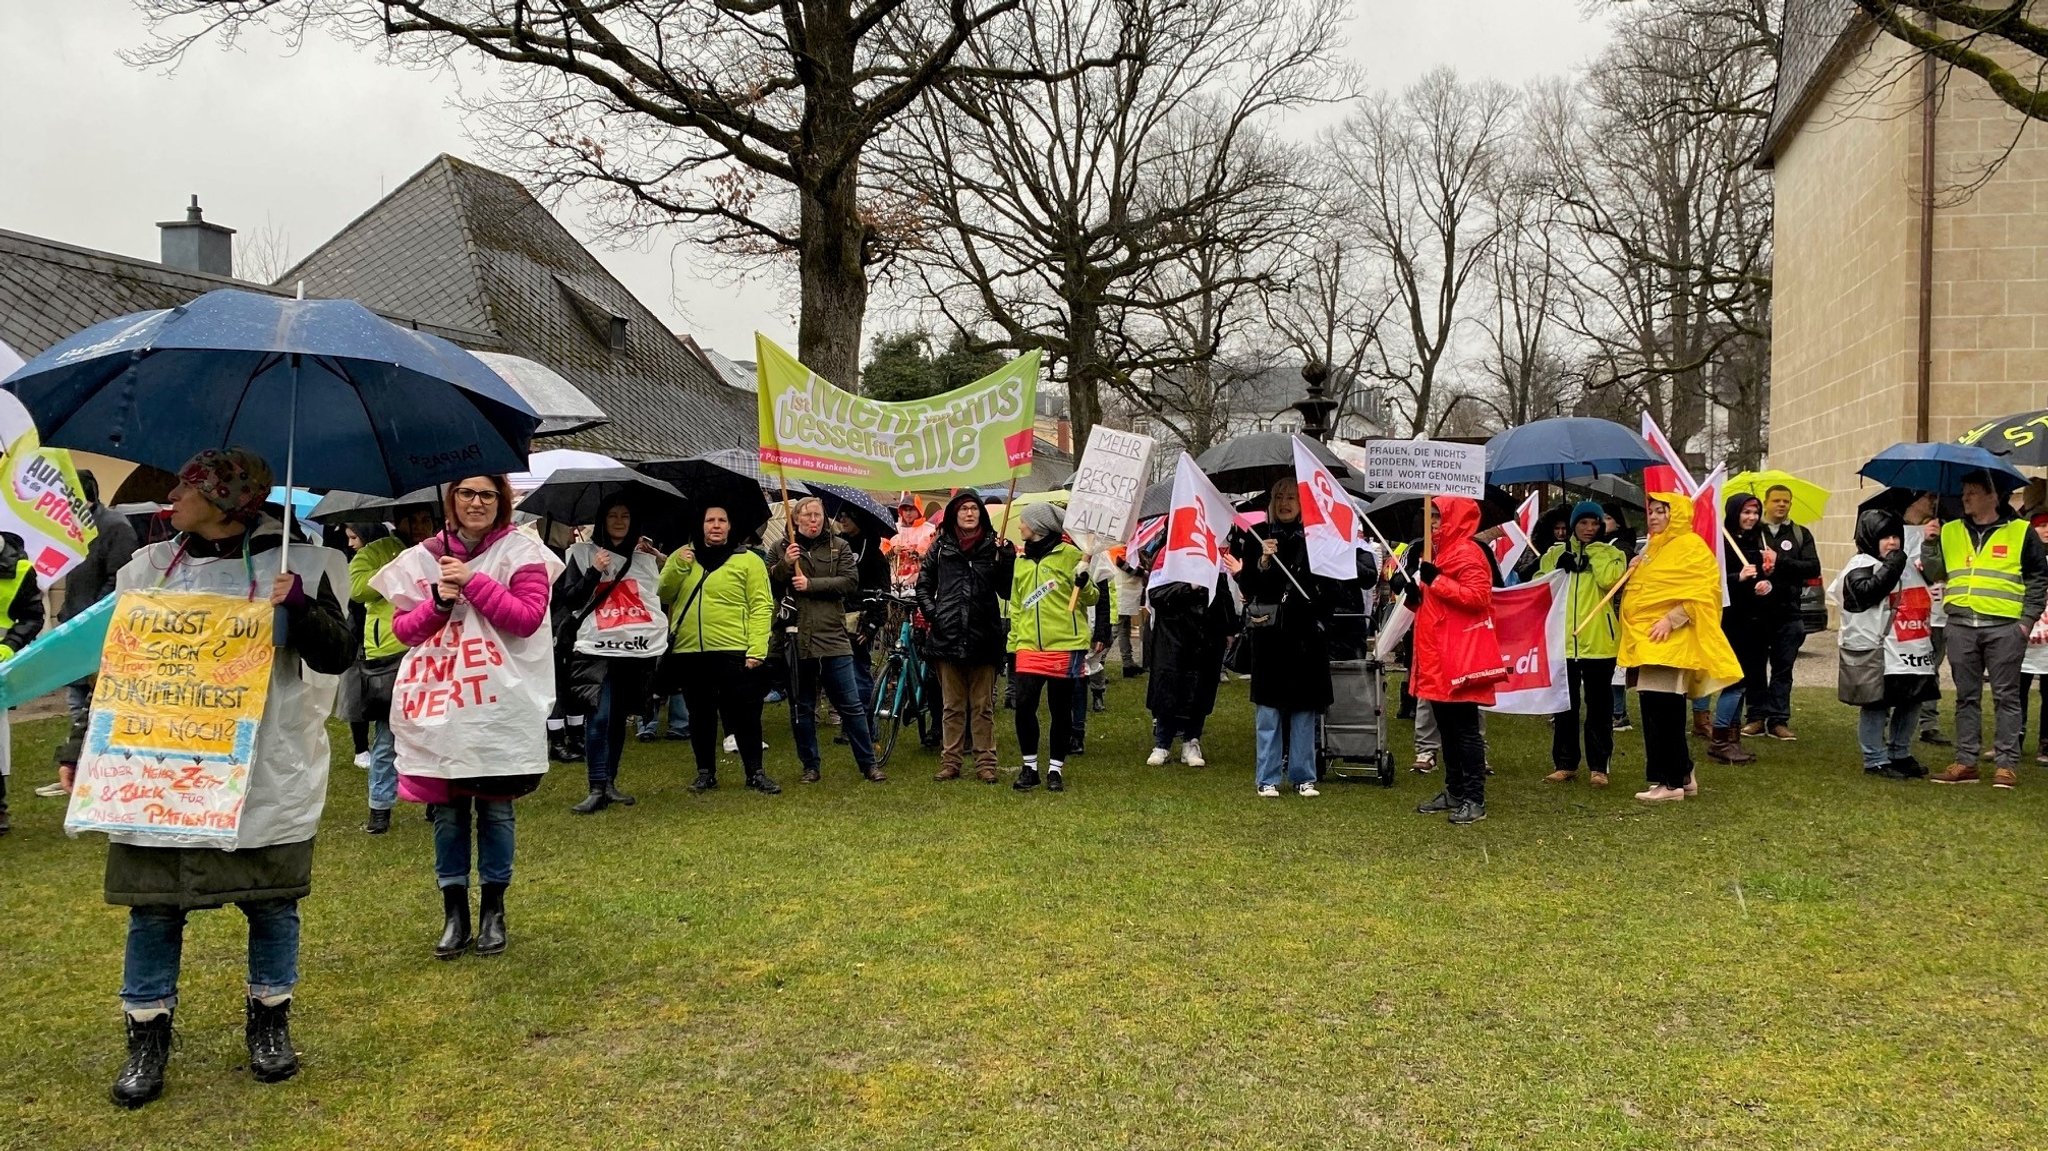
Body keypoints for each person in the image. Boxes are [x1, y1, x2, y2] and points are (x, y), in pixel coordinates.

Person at [103, 448, 353, 1108]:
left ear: (224, 497)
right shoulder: (149, 567)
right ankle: (147, 1036)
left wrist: (299, 606)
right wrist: (81, 742)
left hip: (265, 765)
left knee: (272, 899)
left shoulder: (305, 564)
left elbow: (337, 651)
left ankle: (270, 1024)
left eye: (188, 483)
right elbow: (111, 663)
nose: (173, 494)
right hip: (167, 768)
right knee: (154, 903)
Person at [379, 475, 557, 963]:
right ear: (450, 501)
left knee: (496, 808)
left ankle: (493, 910)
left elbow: (526, 617)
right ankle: (454, 911)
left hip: (500, 705)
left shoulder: (522, 553)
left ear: (501, 502)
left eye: (486, 495)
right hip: (441, 699)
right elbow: (403, 630)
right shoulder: (422, 558)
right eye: (466, 494)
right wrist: (438, 601)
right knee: (449, 812)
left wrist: (473, 582)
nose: (476, 503)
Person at [1617, 491, 1743, 803]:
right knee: (1652, 709)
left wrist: (1672, 619)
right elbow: (1650, 589)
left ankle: (1670, 783)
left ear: (1678, 514)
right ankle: (1683, 775)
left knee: (1665, 713)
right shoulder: (1655, 548)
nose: (1654, 517)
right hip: (1649, 644)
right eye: (1652, 511)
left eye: (1661, 511)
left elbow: (1704, 591)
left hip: (1671, 644)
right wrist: (1634, 569)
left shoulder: (1691, 547)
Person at [1922, 473, 2048, 787]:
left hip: (2005, 628)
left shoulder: (2021, 532)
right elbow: (1936, 574)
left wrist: (2025, 622)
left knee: (2006, 697)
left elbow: (2038, 579)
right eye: (1964, 492)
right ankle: (1966, 762)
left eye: (1974, 493)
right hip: (1961, 626)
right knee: (1966, 697)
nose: (1966, 498)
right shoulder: (1949, 530)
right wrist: (1929, 544)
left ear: (1994, 496)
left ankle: (2006, 764)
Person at [558, 495, 671, 813]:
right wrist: (594, 572)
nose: (619, 521)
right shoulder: (582, 555)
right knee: (600, 715)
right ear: (602, 520)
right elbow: (569, 598)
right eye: (612, 515)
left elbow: (653, 600)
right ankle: (595, 786)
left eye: (625, 515)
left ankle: (610, 783)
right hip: (596, 649)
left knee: (618, 718)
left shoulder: (643, 560)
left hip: (633, 650)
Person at [659, 505, 775, 793]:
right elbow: (663, 593)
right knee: (700, 715)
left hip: (735, 648)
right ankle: (705, 773)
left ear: (730, 526)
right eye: (710, 520)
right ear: (701, 525)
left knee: (745, 714)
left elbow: (762, 606)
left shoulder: (748, 560)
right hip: (690, 650)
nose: (716, 525)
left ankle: (755, 773)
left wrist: (757, 648)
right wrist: (678, 566)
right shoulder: (682, 556)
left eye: (722, 520)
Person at [1232, 478, 1336, 800]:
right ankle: (1268, 777)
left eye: (1292, 497)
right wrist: (1261, 563)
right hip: (1270, 636)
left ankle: (1304, 776)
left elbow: (1331, 585)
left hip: (1305, 635)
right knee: (1269, 710)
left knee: (1304, 709)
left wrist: (1319, 617)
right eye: (1279, 496)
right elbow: (1249, 586)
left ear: (1303, 503)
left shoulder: (1316, 537)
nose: (1285, 502)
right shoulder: (1257, 536)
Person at [42, 470, 138, 806]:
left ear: (86, 497)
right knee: (77, 703)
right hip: (76, 629)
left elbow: (119, 581)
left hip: (99, 631)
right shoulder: (73, 530)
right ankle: (79, 769)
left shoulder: (114, 528)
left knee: (97, 705)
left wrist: (90, 620)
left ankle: (99, 773)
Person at [771, 496, 883, 784]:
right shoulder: (780, 548)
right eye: (807, 515)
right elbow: (770, 583)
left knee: (851, 705)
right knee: (803, 707)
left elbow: (849, 582)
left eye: (818, 515)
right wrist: (786, 564)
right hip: (797, 636)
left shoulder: (839, 546)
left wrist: (811, 585)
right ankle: (810, 765)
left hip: (833, 634)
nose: (813, 520)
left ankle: (868, 763)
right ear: (795, 519)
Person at [1401, 497, 1498, 824]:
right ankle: (1456, 790)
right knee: (1447, 728)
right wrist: (1416, 597)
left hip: (1457, 655)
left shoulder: (1468, 552)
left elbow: (1478, 597)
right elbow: (1437, 606)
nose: (1432, 524)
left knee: (1464, 729)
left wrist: (1436, 581)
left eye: (1438, 517)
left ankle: (1474, 798)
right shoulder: (1439, 552)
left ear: (1454, 519)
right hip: (1437, 655)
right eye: (1429, 517)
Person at [1833, 508, 1937, 780]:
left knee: (1912, 701)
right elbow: (1868, 593)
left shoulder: (1905, 563)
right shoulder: (1858, 566)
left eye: (1895, 536)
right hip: (1878, 652)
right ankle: (1875, 758)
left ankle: (1900, 752)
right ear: (1869, 538)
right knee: (1877, 705)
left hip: (1911, 649)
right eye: (1884, 537)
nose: (1892, 542)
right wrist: (1894, 563)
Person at [917, 491, 1012, 783]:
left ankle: (986, 763)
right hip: (948, 635)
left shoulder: (993, 546)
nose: (969, 513)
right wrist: (936, 614)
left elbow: (1007, 591)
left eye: (974, 508)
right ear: (954, 514)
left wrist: (1006, 560)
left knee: (982, 706)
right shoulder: (941, 546)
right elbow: (924, 584)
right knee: (952, 705)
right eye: (964, 509)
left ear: (981, 514)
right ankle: (951, 761)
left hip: (984, 634)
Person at [1006, 502, 1096, 791]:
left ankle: (1055, 769)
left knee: (1060, 709)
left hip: (1065, 646)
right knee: (1024, 707)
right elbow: (1017, 605)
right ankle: (1029, 767)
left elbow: (1091, 598)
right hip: (1029, 646)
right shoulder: (1021, 561)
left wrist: (1083, 581)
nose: (1020, 526)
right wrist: (1015, 641)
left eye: (1024, 522)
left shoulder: (1071, 556)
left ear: (1039, 526)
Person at [1536, 501, 1625, 786]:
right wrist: (1558, 569)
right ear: (1574, 524)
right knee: (1565, 706)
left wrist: (1594, 558)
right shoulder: (1554, 554)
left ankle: (1599, 766)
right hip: (1564, 643)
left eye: (1595, 523)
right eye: (1584, 523)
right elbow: (1539, 587)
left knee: (1599, 707)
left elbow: (1612, 580)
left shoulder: (1612, 553)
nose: (1589, 529)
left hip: (1599, 642)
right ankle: (1565, 763)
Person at [1742, 485, 1820, 741]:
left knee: (1783, 669)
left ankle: (1778, 720)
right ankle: (1755, 717)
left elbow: (1812, 567)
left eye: (1786, 501)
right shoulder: (1753, 533)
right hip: (1756, 615)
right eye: (1776, 500)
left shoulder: (1799, 534)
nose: (1782, 505)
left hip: (1788, 614)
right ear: (1766, 502)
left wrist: (1781, 562)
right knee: (1754, 668)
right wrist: (1760, 567)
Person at [345, 517, 408, 833]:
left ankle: (437, 802)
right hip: (387, 655)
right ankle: (380, 808)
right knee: (387, 736)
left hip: (432, 650)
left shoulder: (439, 549)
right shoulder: (374, 552)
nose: (423, 525)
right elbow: (357, 590)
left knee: (436, 734)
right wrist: (396, 570)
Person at [1144, 567, 1239, 769]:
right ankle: (1162, 743)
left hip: (1206, 636)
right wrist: (1188, 588)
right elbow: (1156, 595)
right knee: (1168, 689)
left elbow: (1223, 594)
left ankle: (1191, 741)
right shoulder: (1167, 559)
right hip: (1171, 636)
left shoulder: (1211, 560)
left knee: (1200, 688)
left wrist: (1230, 628)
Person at [1705, 493, 1767, 766]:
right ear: (1734, 513)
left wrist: (1766, 585)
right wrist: (1736, 578)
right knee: (1735, 680)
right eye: (1746, 512)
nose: (1751, 517)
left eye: (1755, 512)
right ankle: (1719, 740)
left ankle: (1732, 738)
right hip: (1731, 623)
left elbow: (1761, 580)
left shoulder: (1755, 542)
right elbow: (1711, 583)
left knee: (1746, 681)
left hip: (1754, 623)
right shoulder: (1721, 545)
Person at [837, 505, 892, 717]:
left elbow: (882, 591)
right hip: (838, 615)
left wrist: (872, 624)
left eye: (847, 516)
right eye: (841, 515)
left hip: (861, 619)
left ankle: (865, 721)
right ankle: (848, 719)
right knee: (841, 672)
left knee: (858, 670)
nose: (842, 519)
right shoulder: (838, 547)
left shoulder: (874, 555)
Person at [1601, 504, 1637, 733]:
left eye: (1607, 518)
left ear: (1618, 522)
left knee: (1616, 664)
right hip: (1607, 612)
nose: (1602, 523)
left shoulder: (1621, 547)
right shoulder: (1604, 546)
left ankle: (1619, 712)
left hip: (1616, 611)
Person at [1111, 544, 1147, 677]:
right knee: (1116, 627)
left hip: (1126, 589)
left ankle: (1128, 663)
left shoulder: (1125, 541)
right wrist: (1142, 573)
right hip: (1122, 588)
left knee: (1124, 627)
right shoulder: (1118, 543)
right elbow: (1120, 562)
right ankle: (1097, 663)